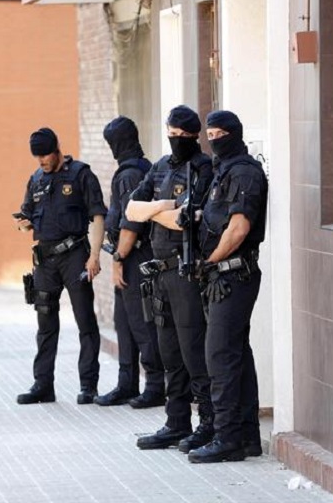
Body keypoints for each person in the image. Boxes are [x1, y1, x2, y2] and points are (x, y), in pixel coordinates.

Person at [125, 105, 215, 453]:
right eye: (171, 133)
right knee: (169, 353)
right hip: (159, 271)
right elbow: (133, 210)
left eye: (181, 135)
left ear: (193, 135)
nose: (174, 139)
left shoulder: (203, 169)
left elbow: (185, 221)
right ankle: (176, 422)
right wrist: (164, 208)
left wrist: (156, 210)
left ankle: (208, 423)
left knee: (194, 351)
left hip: (185, 271)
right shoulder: (161, 166)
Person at [186, 110, 268, 463]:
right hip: (221, 275)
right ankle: (247, 436)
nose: (214, 139)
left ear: (235, 134)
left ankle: (227, 438)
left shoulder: (245, 172)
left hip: (233, 273)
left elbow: (239, 228)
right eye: (211, 133)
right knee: (235, 354)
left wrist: (211, 260)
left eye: (221, 133)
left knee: (219, 356)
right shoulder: (222, 171)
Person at [14, 127, 107, 405]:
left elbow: (98, 216)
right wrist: (23, 223)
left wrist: (95, 256)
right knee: (45, 324)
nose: (41, 161)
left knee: (85, 321)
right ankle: (43, 385)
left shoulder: (81, 175)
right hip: (45, 260)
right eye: (37, 156)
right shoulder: (36, 179)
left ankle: (88, 386)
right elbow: (27, 217)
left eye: (45, 155)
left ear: (57, 149)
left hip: (75, 255)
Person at [94, 116, 165, 409]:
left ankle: (155, 386)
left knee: (141, 323)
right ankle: (126, 384)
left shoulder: (129, 175)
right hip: (131, 255)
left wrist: (119, 259)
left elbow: (131, 222)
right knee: (124, 323)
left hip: (135, 256)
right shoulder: (141, 168)